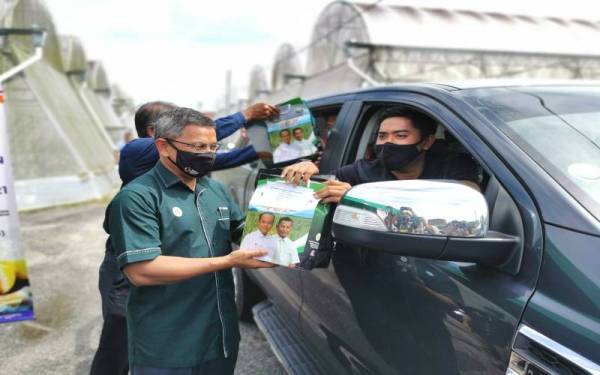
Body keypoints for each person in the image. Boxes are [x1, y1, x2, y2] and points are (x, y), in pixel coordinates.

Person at [91, 101, 278, 375]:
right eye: (198, 147)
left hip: (219, 342)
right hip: (166, 351)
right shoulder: (137, 197)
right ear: (162, 145)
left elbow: (243, 230)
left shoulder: (214, 190)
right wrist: (227, 261)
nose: (208, 154)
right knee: (113, 352)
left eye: (212, 147)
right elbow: (143, 271)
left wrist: (297, 195)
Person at [281, 106, 480, 203]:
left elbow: (470, 200)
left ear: (427, 142)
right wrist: (308, 170)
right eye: (382, 136)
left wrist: (359, 199)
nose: (388, 143)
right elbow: (311, 194)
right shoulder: (360, 172)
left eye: (400, 135)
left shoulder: (453, 166)